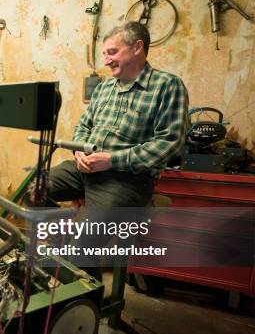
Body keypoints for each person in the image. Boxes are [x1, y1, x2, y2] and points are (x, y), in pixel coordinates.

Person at [45, 21, 189, 208]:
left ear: (137, 47)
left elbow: (170, 143)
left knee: (89, 236)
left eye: (112, 52)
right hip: (85, 170)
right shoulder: (103, 87)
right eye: (104, 54)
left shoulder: (167, 85)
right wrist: (79, 151)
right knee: (32, 188)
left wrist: (113, 160)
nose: (106, 61)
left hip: (127, 178)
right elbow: (83, 126)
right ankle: (59, 236)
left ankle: (80, 237)